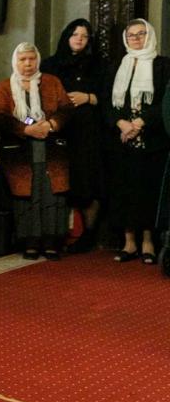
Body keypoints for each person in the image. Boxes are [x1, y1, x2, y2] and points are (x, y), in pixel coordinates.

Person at [0, 44, 72, 260]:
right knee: (27, 195)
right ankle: (30, 241)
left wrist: (51, 125)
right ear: (15, 62)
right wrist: (26, 129)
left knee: (51, 193)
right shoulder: (5, 87)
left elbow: (66, 109)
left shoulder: (52, 82)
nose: (28, 64)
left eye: (31, 59)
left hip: (51, 148)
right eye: (22, 60)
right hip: (21, 152)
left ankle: (51, 241)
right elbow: (0, 116)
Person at [41, 19, 107, 251]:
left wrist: (88, 97)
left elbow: (110, 97)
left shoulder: (99, 65)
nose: (79, 39)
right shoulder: (51, 64)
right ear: (66, 36)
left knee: (89, 182)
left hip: (89, 133)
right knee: (62, 182)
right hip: (61, 131)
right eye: (75, 34)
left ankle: (88, 235)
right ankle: (59, 233)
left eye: (85, 35)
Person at [107, 19, 169, 263]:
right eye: (131, 35)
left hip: (152, 140)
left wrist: (142, 122)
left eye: (141, 34)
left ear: (149, 35)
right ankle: (128, 241)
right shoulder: (116, 67)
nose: (136, 39)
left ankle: (148, 242)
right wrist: (122, 123)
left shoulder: (163, 65)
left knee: (148, 190)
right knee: (125, 190)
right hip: (122, 140)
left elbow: (165, 101)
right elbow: (106, 102)